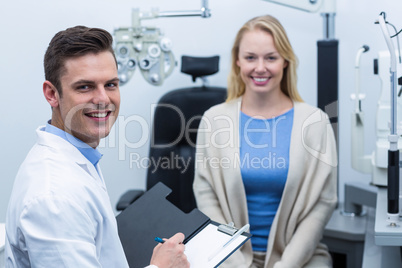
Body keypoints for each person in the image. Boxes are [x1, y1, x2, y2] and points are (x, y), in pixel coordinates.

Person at [5, 26, 189, 268]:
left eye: (111, 84)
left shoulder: (79, 155)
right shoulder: (54, 198)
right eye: (85, 87)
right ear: (52, 94)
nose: (103, 99)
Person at [193, 15, 337, 268]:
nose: (260, 68)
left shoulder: (315, 122)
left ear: (285, 61)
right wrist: (239, 264)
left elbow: (321, 205)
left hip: (299, 259)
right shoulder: (214, 120)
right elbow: (207, 199)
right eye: (250, 57)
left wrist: (286, 265)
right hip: (227, 258)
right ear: (238, 61)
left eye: (270, 57)